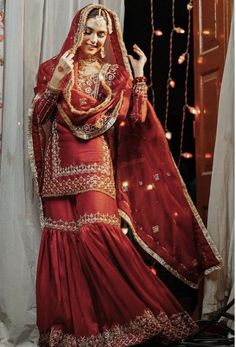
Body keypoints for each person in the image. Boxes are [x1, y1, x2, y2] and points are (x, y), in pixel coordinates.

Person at [28, 4, 222, 346]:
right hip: (59, 168)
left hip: (95, 163)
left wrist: (139, 74)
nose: (94, 39)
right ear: (76, 31)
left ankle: (134, 321)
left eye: (101, 34)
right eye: (88, 31)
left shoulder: (113, 74)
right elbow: (41, 116)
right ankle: (79, 330)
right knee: (64, 245)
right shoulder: (53, 68)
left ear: (108, 37)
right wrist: (57, 82)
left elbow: (135, 118)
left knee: (97, 236)